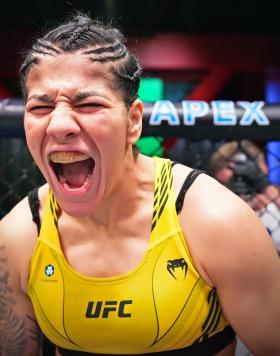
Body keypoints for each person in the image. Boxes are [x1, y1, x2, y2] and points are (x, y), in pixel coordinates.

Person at [0, 12, 280, 356]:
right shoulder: (18, 236)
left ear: (133, 122)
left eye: (87, 104)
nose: (59, 125)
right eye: (40, 107)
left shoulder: (215, 221)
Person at [209, 140, 280, 254]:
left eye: (248, 179)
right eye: (229, 185)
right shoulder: (212, 210)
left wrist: (264, 186)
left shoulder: (273, 200)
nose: (242, 191)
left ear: (263, 168)